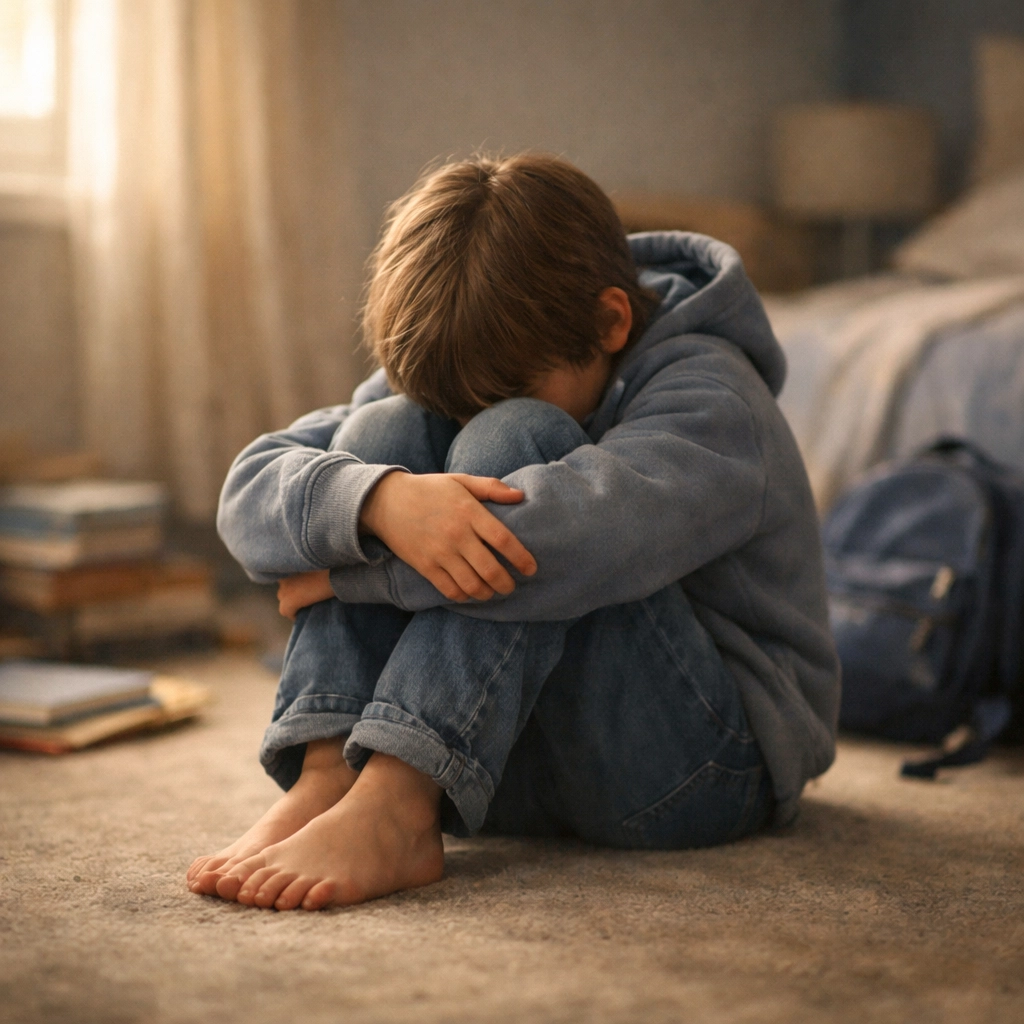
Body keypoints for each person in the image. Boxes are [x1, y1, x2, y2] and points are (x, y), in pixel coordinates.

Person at [187, 153, 840, 912]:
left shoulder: (715, 398)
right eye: (452, 403)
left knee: (517, 440)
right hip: (499, 765)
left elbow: (567, 543)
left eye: (489, 396)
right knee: (380, 435)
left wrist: (347, 575)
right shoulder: (474, 356)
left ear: (611, 323)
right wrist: (382, 501)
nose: (464, 422)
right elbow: (248, 491)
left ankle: (397, 803)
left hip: (702, 769)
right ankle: (332, 775)